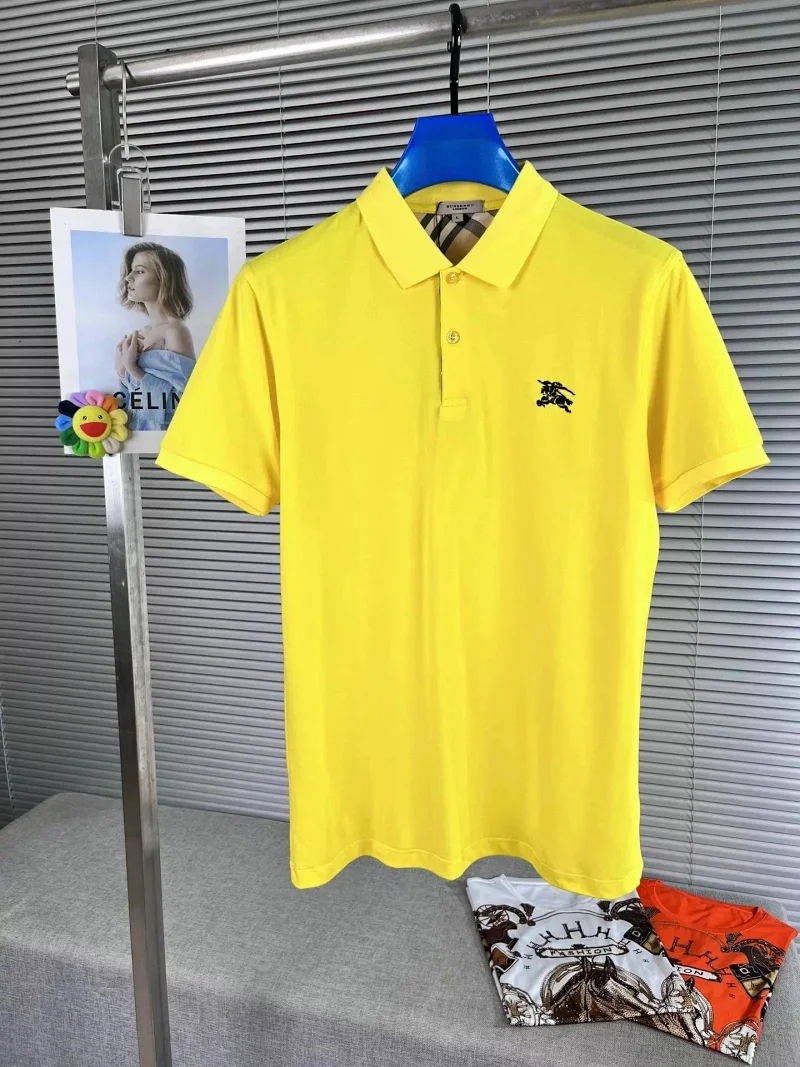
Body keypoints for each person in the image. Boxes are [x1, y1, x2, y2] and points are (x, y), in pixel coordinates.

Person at [115, 241, 197, 431]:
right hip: (136, 433)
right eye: (131, 271)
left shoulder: (175, 332)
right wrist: (122, 370)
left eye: (139, 271)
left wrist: (132, 368)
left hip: (162, 436)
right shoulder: (141, 333)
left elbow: (185, 399)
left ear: (164, 279)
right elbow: (131, 399)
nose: (128, 278)